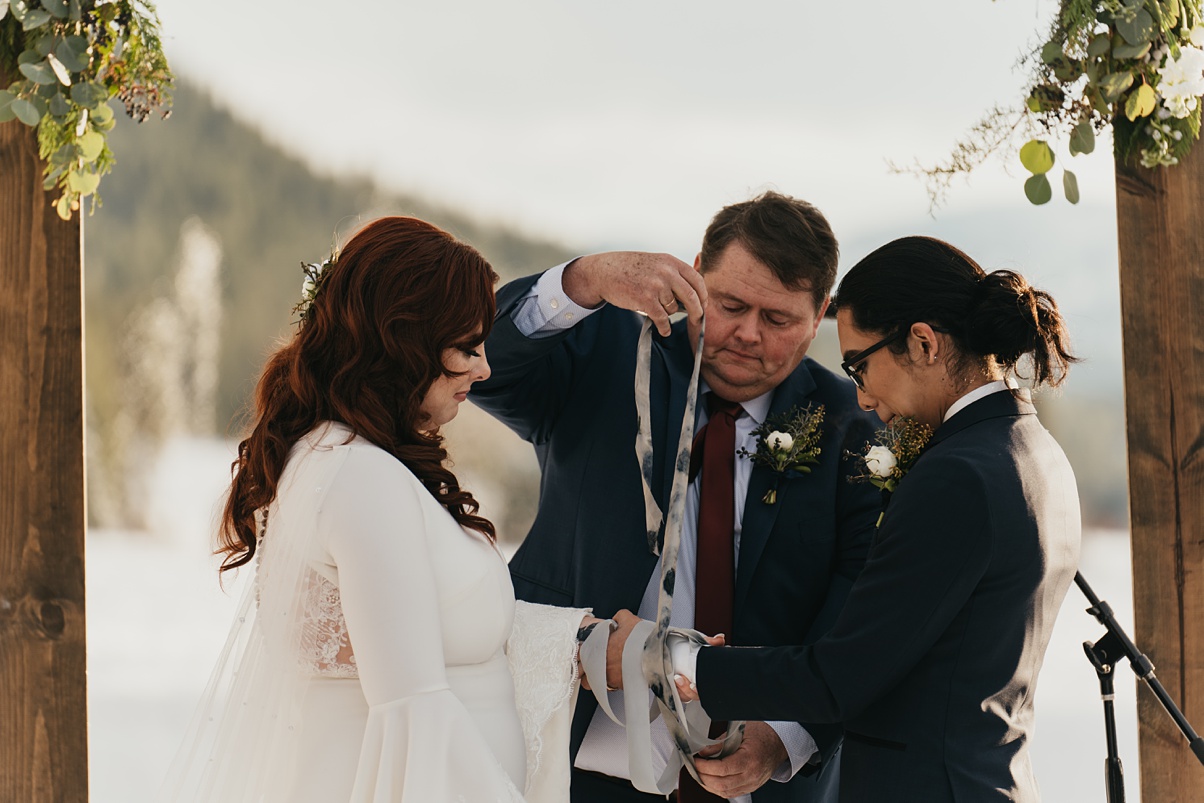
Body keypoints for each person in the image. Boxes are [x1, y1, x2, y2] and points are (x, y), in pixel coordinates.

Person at [159, 216, 597, 803]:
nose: (485, 369)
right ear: (402, 343)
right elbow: (412, 713)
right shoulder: (362, 477)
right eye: (467, 348)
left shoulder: (337, 456)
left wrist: (575, 640)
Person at [470, 191, 882, 802]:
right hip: (566, 759)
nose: (746, 334)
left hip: (756, 785)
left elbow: (857, 609)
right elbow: (488, 362)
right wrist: (582, 280)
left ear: (821, 311)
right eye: (731, 304)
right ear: (695, 273)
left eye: (778, 320)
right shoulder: (604, 353)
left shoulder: (854, 428)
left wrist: (785, 739)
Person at [672, 236, 1082, 802]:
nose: (861, 398)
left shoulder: (956, 475)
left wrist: (677, 661)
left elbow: (840, 676)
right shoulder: (1036, 451)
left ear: (922, 343)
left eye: (858, 366)